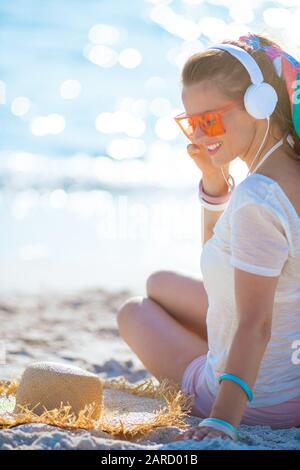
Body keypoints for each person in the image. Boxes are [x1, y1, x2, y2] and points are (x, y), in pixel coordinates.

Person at [117, 32, 300, 442]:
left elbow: (255, 324)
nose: (199, 137)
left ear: (260, 105)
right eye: (191, 124)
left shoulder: (259, 197)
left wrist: (222, 420)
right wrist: (214, 183)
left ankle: (218, 381)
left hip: (262, 401)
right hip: (295, 369)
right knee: (158, 283)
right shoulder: (289, 170)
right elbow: (225, 268)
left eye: (210, 121)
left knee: (133, 311)